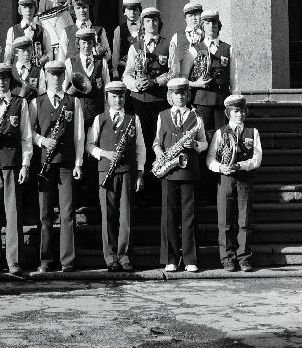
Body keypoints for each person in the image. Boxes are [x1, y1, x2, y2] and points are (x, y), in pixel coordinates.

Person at [30, 60, 85, 273]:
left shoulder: (74, 102)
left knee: (67, 212)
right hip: (44, 164)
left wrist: (79, 163)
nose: (56, 78)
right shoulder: (37, 102)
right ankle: (45, 260)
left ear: (64, 77)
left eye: (59, 75)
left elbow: (79, 136)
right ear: (46, 76)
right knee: (44, 213)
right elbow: (29, 133)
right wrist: (42, 141)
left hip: (66, 164)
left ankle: (67, 260)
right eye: (52, 75)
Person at [85, 81, 146, 272]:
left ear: (125, 97)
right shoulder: (99, 119)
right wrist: (104, 153)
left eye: (121, 96)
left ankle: (124, 255)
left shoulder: (133, 119)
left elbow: (140, 148)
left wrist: (140, 172)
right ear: (107, 98)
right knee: (108, 215)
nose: (118, 100)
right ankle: (110, 257)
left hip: (127, 171)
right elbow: (89, 146)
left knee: (125, 215)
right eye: (114, 96)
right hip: (106, 172)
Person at [0, 63, 32, 279]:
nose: (1, 82)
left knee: (13, 212)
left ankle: (14, 260)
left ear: (10, 80)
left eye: (5, 79)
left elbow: (26, 136)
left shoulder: (20, 103)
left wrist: (25, 164)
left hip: (12, 163)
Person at [153, 77, 208, 273]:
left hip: (189, 171)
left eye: (183, 93)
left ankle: (190, 259)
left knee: (189, 216)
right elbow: (157, 141)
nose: (180, 97)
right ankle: (171, 259)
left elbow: (204, 143)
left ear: (187, 95)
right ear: (170, 96)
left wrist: (195, 145)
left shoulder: (197, 116)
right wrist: (159, 152)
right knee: (169, 215)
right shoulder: (163, 115)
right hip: (169, 169)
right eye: (176, 94)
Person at [206, 94, 262, 273]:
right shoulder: (220, 133)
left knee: (244, 220)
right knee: (225, 221)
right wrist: (220, 168)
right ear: (228, 112)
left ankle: (244, 258)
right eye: (236, 111)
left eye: (242, 111)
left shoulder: (253, 132)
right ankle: (228, 259)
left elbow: (257, 159)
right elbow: (210, 159)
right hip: (226, 179)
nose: (240, 115)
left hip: (245, 179)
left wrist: (241, 165)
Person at [122, 7, 172, 178]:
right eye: (148, 21)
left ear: (159, 23)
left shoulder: (168, 44)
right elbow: (126, 74)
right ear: (142, 24)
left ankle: (159, 182)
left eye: (155, 20)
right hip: (139, 101)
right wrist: (136, 84)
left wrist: (155, 81)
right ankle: (142, 185)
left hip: (160, 101)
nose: (152, 24)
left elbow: (174, 72)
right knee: (141, 141)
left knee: (159, 141)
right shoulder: (135, 46)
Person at [182, 8, 236, 138]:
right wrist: (196, 84)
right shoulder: (194, 50)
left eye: (214, 23)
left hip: (222, 101)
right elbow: (183, 78)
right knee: (203, 137)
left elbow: (234, 78)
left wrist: (235, 101)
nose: (211, 26)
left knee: (222, 138)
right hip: (201, 101)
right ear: (202, 26)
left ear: (219, 26)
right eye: (207, 23)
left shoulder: (228, 48)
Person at [64, 27, 109, 127]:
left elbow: (107, 90)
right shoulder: (70, 62)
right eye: (83, 42)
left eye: (89, 43)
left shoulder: (102, 62)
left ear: (93, 43)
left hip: (97, 113)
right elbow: (64, 89)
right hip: (77, 113)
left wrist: (107, 111)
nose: (87, 46)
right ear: (78, 43)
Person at [58, 0, 111, 64]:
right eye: (78, 8)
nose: (82, 11)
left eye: (84, 7)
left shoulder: (99, 30)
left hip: (94, 71)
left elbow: (108, 56)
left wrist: (101, 52)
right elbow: (61, 58)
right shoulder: (66, 32)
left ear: (89, 8)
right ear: (74, 10)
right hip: (74, 72)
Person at [4, 0, 49, 65]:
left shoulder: (42, 31)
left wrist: (45, 58)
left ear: (35, 9)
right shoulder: (12, 30)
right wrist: (8, 63)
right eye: (24, 7)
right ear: (20, 10)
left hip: (37, 71)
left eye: (31, 7)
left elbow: (49, 51)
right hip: (18, 72)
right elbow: (9, 51)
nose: (28, 10)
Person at [168, 2, 204, 75]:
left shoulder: (207, 36)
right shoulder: (176, 37)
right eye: (190, 16)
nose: (194, 18)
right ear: (185, 19)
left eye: (196, 15)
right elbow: (172, 62)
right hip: (181, 80)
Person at [111, 0, 142, 79]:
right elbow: (116, 52)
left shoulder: (146, 27)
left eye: (135, 10)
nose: (132, 13)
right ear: (124, 11)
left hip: (144, 69)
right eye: (129, 10)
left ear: (140, 11)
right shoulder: (119, 30)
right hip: (125, 69)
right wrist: (115, 71)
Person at [9, 35, 45, 101]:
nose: (27, 53)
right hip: (14, 108)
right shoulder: (9, 70)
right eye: (23, 50)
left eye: (29, 50)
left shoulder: (38, 71)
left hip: (32, 108)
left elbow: (42, 94)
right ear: (16, 52)